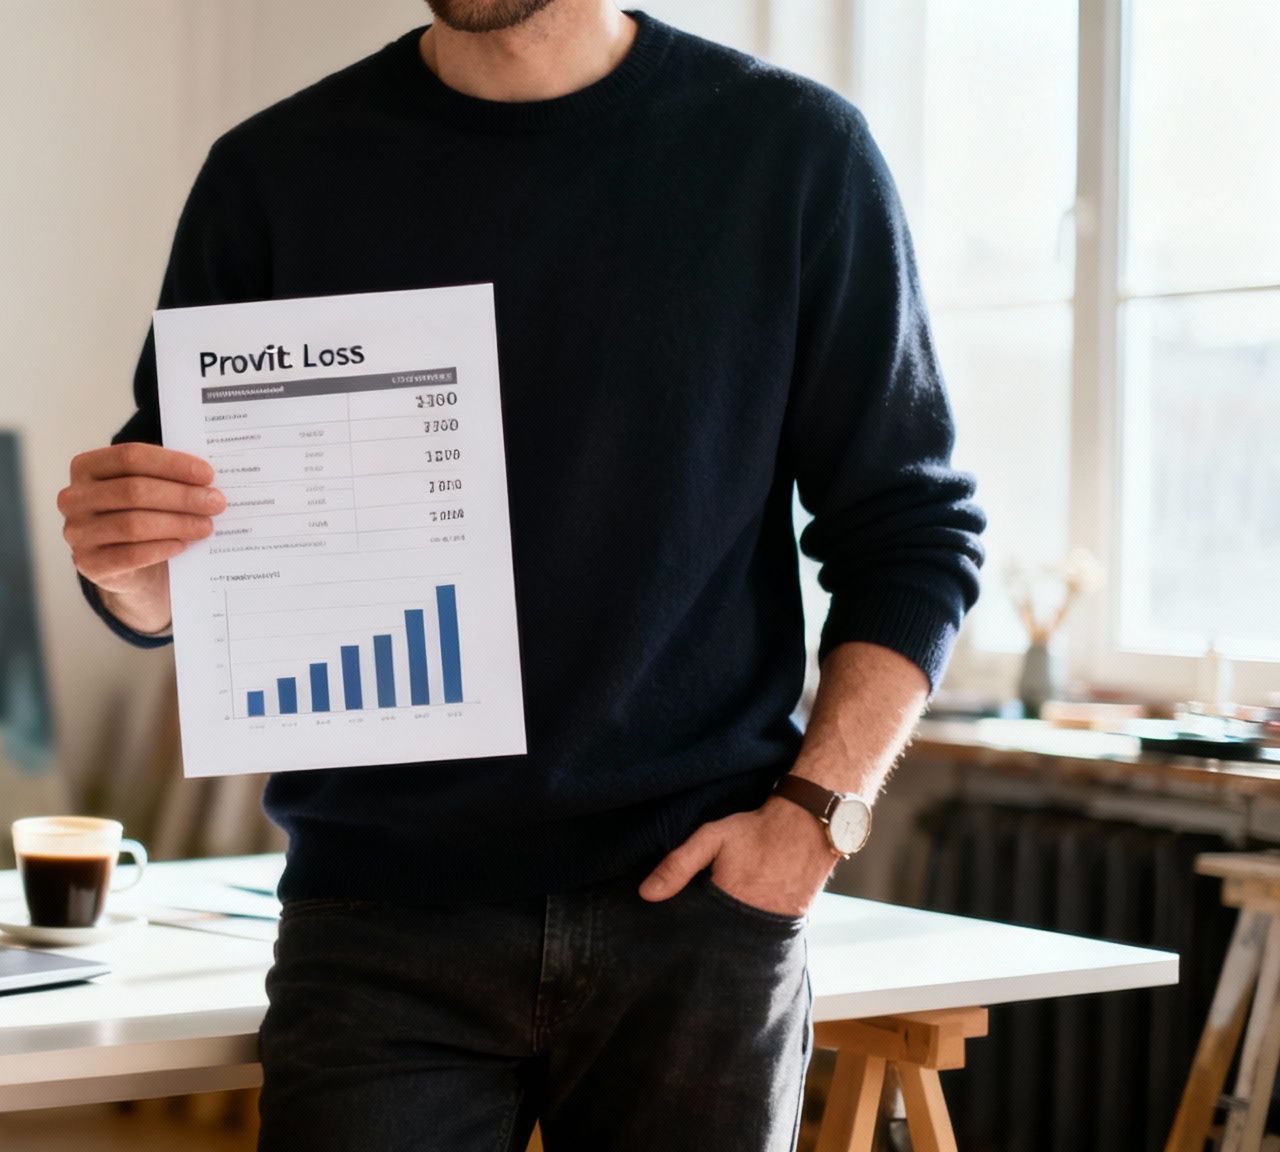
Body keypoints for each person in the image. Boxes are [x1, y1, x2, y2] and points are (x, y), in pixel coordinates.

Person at [57, 0, 985, 1146]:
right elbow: (180, 567)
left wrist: (811, 821)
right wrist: (128, 576)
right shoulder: (273, 176)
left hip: (693, 912)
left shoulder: (791, 154)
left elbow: (911, 533)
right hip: (377, 921)